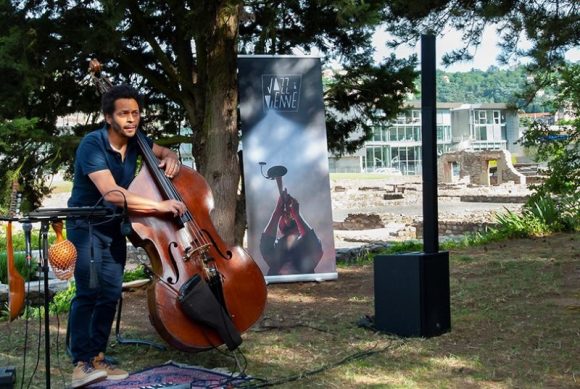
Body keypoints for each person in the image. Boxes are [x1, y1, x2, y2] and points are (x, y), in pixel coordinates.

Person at [66, 84, 187, 388]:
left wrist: (171, 155)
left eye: (135, 113)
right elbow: (113, 193)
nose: (131, 119)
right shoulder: (92, 145)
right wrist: (160, 206)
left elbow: (160, 152)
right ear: (108, 117)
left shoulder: (138, 141)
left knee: (109, 293)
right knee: (89, 291)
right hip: (87, 225)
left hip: (113, 228)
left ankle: (97, 356)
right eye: (124, 114)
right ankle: (80, 362)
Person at [260, 189, 323, 276]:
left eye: (290, 215)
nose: (287, 216)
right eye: (284, 215)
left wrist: (296, 215)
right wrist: (277, 212)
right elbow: (265, 246)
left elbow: (314, 245)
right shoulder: (278, 245)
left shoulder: (307, 243)